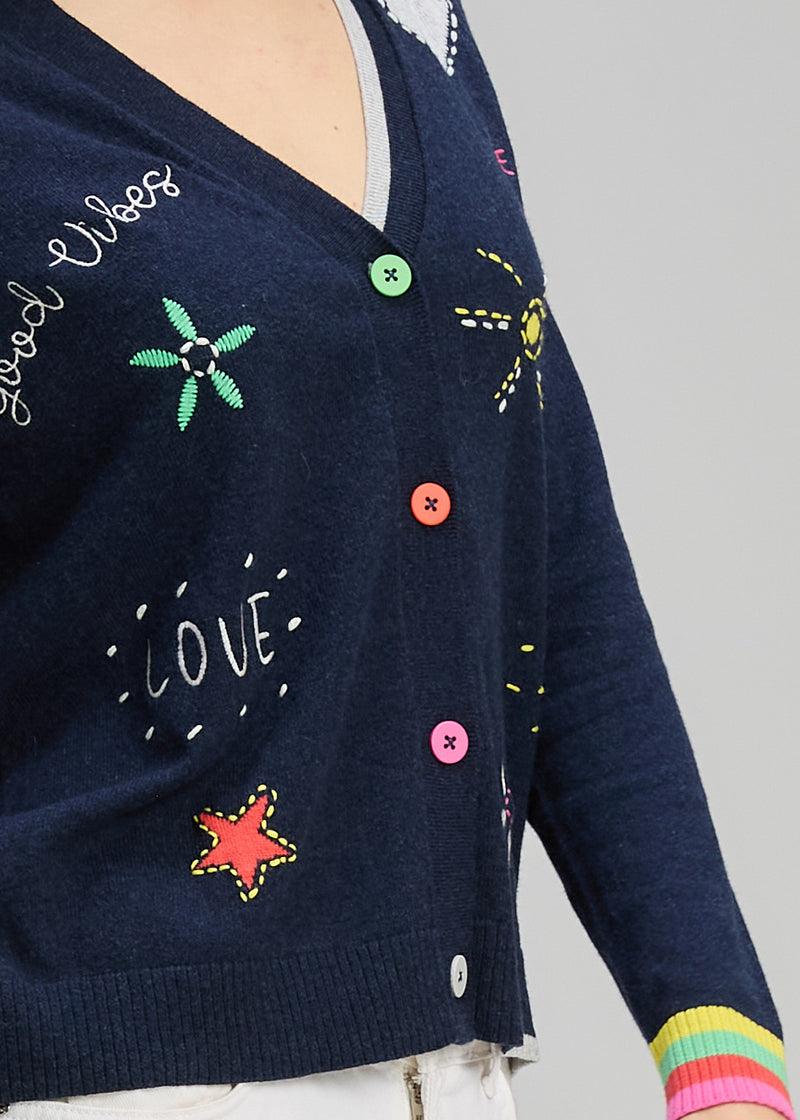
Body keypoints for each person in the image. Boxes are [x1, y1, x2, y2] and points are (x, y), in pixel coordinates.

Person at [0, 1, 793, 1118]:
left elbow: (551, 545)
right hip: (107, 1073)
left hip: (455, 1072)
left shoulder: (420, 27)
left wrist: (717, 1038)